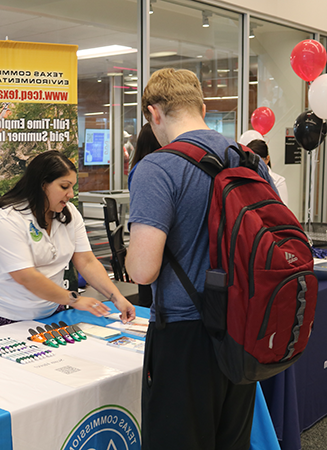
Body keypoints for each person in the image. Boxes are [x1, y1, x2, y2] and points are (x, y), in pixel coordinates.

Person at [125, 68, 277, 450]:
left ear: (153, 113)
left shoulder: (157, 167)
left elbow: (143, 270)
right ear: (202, 107)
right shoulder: (250, 161)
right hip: (244, 328)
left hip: (183, 335)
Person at [0, 150, 136, 330]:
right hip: (6, 314)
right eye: (64, 186)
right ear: (42, 185)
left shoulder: (69, 214)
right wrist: (75, 299)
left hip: (51, 310)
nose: (70, 194)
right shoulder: (9, 218)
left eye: (72, 187)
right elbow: (26, 276)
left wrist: (117, 298)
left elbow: (87, 261)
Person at [127, 122, 161, 308]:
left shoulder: (139, 168)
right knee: (148, 300)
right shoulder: (147, 172)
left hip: (142, 238)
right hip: (148, 240)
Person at [247, 138, 288, 205]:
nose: (253, 164)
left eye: (257, 160)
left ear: (267, 159)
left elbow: (283, 210)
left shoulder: (278, 181)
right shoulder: (244, 179)